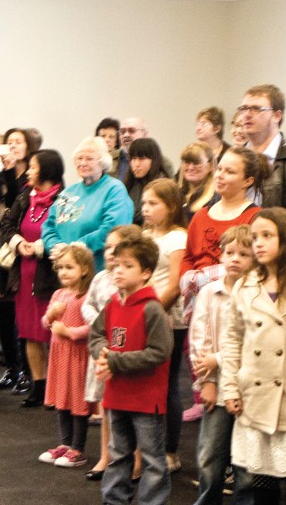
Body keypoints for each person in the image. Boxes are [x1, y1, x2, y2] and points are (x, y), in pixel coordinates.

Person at [221, 208, 286, 505]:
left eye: (267, 236)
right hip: (256, 394)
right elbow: (233, 338)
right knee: (259, 481)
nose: (259, 243)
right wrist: (230, 387)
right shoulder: (245, 285)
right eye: (255, 237)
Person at [89, 236, 174, 505]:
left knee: (152, 459)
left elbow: (160, 352)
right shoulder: (113, 304)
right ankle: (114, 499)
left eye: (128, 266)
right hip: (117, 396)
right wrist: (102, 353)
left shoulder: (152, 308)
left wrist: (114, 361)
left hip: (146, 399)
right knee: (119, 452)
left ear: (146, 273)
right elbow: (97, 335)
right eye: (116, 265)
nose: (118, 271)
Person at [188, 225, 254, 505]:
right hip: (215, 383)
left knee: (246, 458)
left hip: (248, 386)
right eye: (229, 253)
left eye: (243, 254)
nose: (235, 259)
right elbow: (198, 339)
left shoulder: (256, 294)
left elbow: (253, 343)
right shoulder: (209, 293)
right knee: (209, 455)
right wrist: (208, 380)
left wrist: (219, 359)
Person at [0, 128, 40, 395]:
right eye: (8, 142)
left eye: (18, 142)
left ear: (28, 147)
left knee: (20, 314)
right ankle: (12, 369)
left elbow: (17, 204)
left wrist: (13, 176)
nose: (12, 147)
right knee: (3, 311)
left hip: (22, 246)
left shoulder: (32, 176)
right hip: (0, 250)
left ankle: (27, 370)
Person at [0, 149, 65, 407]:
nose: (28, 171)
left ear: (46, 170)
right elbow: (7, 226)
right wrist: (18, 243)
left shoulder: (64, 199)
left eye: (33, 167)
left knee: (52, 333)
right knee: (29, 332)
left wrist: (39, 248)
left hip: (50, 274)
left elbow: (66, 232)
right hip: (24, 273)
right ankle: (39, 386)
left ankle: (57, 389)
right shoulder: (26, 196)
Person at [179, 148, 269, 328]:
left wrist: (210, 281)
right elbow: (188, 258)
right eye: (219, 169)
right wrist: (191, 283)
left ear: (248, 181)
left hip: (234, 304)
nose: (220, 175)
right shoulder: (200, 216)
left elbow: (256, 265)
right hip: (199, 304)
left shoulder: (256, 218)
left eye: (230, 172)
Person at [82, 224, 145, 482]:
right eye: (107, 247)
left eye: (116, 248)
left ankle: (138, 459)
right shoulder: (100, 278)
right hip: (102, 349)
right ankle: (105, 456)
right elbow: (87, 304)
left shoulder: (132, 282)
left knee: (133, 409)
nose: (109, 253)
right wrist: (100, 321)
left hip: (124, 350)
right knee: (106, 405)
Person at [140, 178, 188, 472]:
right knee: (147, 384)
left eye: (153, 203)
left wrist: (152, 315)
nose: (146, 208)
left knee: (167, 383)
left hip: (168, 319)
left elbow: (174, 285)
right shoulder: (145, 235)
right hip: (143, 315)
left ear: (171, 207)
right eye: (144, 203)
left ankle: (170, 451)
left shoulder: (178, 238)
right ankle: (147, 447)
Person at [38, 243, 95, 468]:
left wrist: (69, 332)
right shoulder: (58, 294)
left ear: (84, 269)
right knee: (62, 399)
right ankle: (64, 443)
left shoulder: (87, 297)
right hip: (59, 356)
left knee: (77, 402)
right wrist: (50, 315)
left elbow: (94, 326)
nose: (63, 272)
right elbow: (45, 323)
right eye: (60, 267)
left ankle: (78, 448)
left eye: (69, 267)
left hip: (78, 355)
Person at [42, 136, 133, 272]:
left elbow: (112, 229)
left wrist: (75, 249)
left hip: (97, 272)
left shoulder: (114, 189)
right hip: (66, 272)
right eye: (79, 158)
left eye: (89, 159)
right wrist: (56, 246)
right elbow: (49, 225)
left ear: (103, 162)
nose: (83, 163)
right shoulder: (68, 192)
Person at [236, 84, 286, 214]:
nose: (247, 115)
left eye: (256, 109)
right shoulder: (233, 158)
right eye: (244, 108)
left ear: (277, 116)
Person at [123, 138, 168, 225]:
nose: (136, 164)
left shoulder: (163, 185)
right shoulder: (129, 184)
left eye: (142, 159)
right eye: (133, 158)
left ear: (154, 160)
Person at [178, 142, 218, 223]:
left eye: (197, 163)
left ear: (210, 166)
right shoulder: (176, 194)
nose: (191, 167)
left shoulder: (215, 199)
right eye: (186, 162)